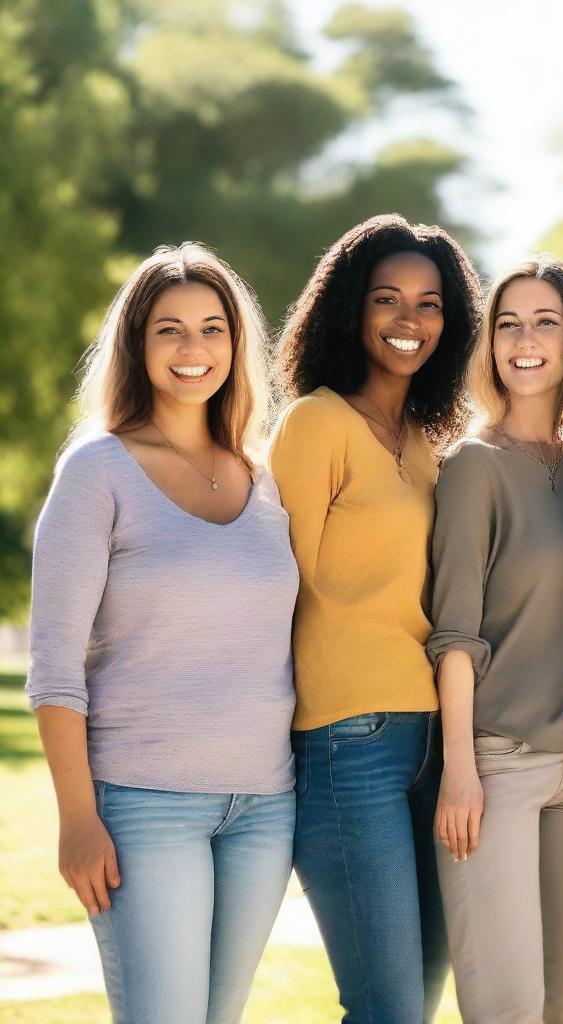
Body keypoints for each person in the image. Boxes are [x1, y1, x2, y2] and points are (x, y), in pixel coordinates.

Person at [27, 243, 298, 1024]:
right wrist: (79, 820)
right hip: (143, 805)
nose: (194, 350)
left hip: (263, 806)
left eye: (213, 329)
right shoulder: (98, 470)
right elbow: (53, 667)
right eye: (170, 331)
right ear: (137, 346)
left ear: (236, 346)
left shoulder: (263, 476)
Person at [268, 214, 480, 1023]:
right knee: (387, 1006)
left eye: (428, 304)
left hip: (432, 741)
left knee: (418, 1001)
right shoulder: (314, 423)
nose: (408, 320)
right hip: (345, 740)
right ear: (350, 310)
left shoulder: (427, 445)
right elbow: (271, 587)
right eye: (388, 299)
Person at [429, 257, 563, 1023]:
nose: (524, 341)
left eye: (545, 322)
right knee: (505, 1010)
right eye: (508, 324)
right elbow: (455, 634)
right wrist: (461, 771)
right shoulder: (473, 465)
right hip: (496, 769)